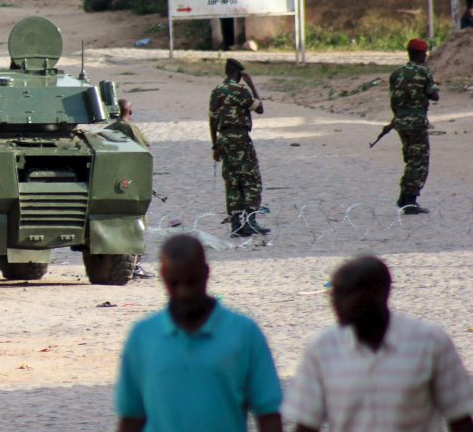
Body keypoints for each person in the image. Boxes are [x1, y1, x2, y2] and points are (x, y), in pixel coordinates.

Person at [284, 255, 473, 432]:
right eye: (334, 294)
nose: (335, 303)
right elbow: (307, 423)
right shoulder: (323, 348)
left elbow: (459, 418)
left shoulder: (429, 343)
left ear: (378, 293)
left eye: (345, 294)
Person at [115, 234, 283, 432]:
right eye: (175, 283)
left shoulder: (243, 334)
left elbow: (268, 414)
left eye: (191, 282)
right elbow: (131, 418)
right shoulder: (143, 337)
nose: (184, 292)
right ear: (163, 276)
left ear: (206, 273)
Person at [209, 58, 269, 237]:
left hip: (224, 140)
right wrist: (251, 84)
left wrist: (215, 146)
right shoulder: (241, 91)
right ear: (239, 74)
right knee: (251, 179)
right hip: (240, 139)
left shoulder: (217, 91)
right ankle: (250, 220)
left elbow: (212, 120)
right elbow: (260, 109)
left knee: (232, 181)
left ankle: (236, 223)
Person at [389, 38, 439, 214]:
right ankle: (409, 200)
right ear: (420, 54)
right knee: (419, 162)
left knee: (411, 159)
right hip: (417, 123)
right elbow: (435, 96)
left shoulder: (396, 73)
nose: (425, 56)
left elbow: (394, 100)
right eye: (424, 53)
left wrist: (396, 119)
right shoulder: (423, 72)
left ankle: (404, 197)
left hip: (401, 123)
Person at [105, 99, 153, 279]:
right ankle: (136, 266)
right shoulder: (131, 129)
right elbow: (144, 149)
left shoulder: (108, 129)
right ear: (130, 111)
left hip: (112, 181)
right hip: (130, 181)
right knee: (138, 222)